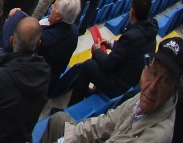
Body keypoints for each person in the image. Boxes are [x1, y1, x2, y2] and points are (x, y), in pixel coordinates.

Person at [41, 36, 182, 143]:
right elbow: (106, 124)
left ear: (174, 87)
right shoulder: (140, 98)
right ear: (146, 70)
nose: (152, 87)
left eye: (165, 80)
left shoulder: (156, 137)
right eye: (154, 73)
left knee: (89, 66)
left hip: (116, 86)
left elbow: (108, 64)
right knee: (59, 119)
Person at [68, 0, 156, 105]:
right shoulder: (150, 30)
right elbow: (131, 50)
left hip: (120, 85)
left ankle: (72, 107)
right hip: (130, 77)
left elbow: (108, 65)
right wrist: (111, 45)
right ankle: (94, 92)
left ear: (132, 11)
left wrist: (97, 50)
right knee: (98, 59)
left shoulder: (131, 36)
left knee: (88, 65)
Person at [37, 0, 81, 89]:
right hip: (53, 76)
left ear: (58, 16)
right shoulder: (74, 30)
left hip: (37, 81)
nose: (51, 7)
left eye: (54, 6)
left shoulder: (45, 40)